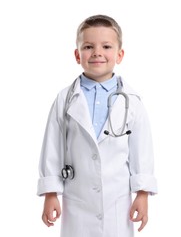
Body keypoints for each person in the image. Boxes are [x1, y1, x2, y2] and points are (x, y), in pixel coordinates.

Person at [37, 14, 157, 237]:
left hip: (118, 202)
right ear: (77, 55)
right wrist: (51, 193)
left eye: (107, 46)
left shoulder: (132, 101)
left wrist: (142, 193)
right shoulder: (65, 99)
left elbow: (142, 150)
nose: (97, 53)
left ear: (119, 55)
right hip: (77, 201)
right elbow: (52, 147)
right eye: (88, 46)